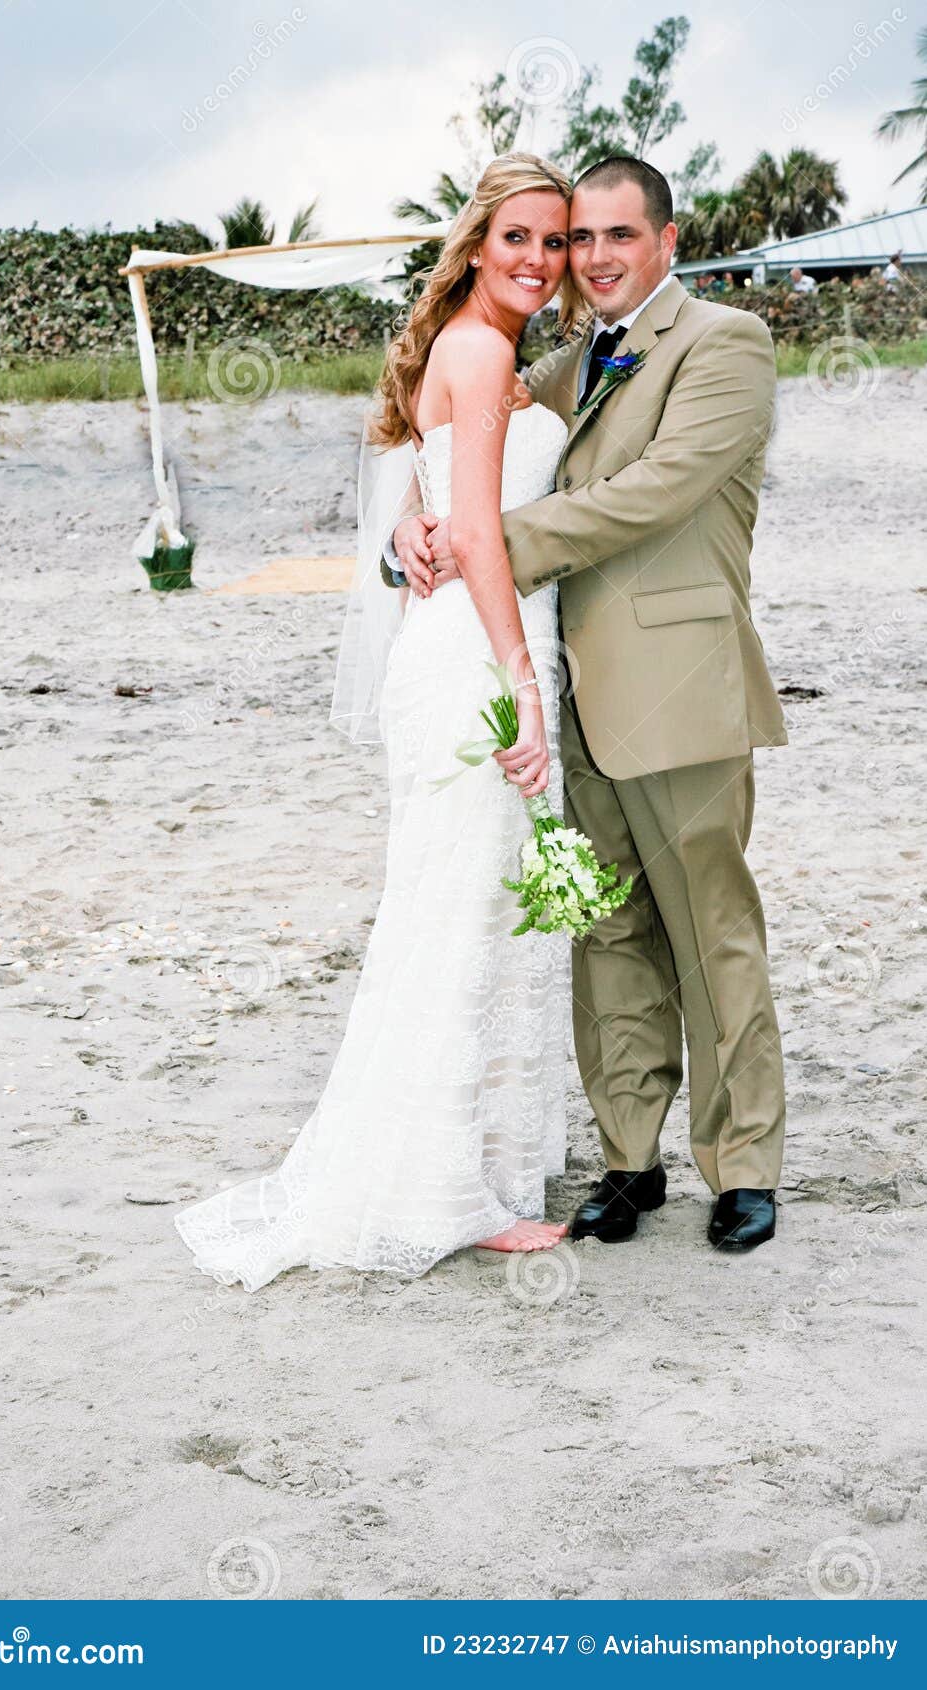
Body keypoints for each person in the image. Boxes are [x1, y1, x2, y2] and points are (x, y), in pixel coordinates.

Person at [175, 154, 579, 1292]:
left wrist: (412, 526)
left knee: (460, 905)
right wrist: (520, 676)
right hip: (475, 656)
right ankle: (444, 1186)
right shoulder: (482, 346)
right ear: (476, 241)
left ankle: (457, 1162)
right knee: (460, 912)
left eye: (554, 244)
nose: (539, 264)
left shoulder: (463, 344)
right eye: (519, 240)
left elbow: (433, 497)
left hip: (454, 642)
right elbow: (488, 538)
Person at [389, 155, 788, 1252]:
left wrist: (482, 546)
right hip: (564, 692)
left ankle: (741, 1164)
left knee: (709, 932)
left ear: (666, 239)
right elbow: (455, 450)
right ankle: (628, 1160)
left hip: (677, 690)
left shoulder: (723, 344)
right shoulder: (573, 360)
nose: (594, 257)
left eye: (616, 235)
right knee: (603, 931)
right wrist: (407, 533)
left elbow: (650, 493)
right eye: (579, 238)